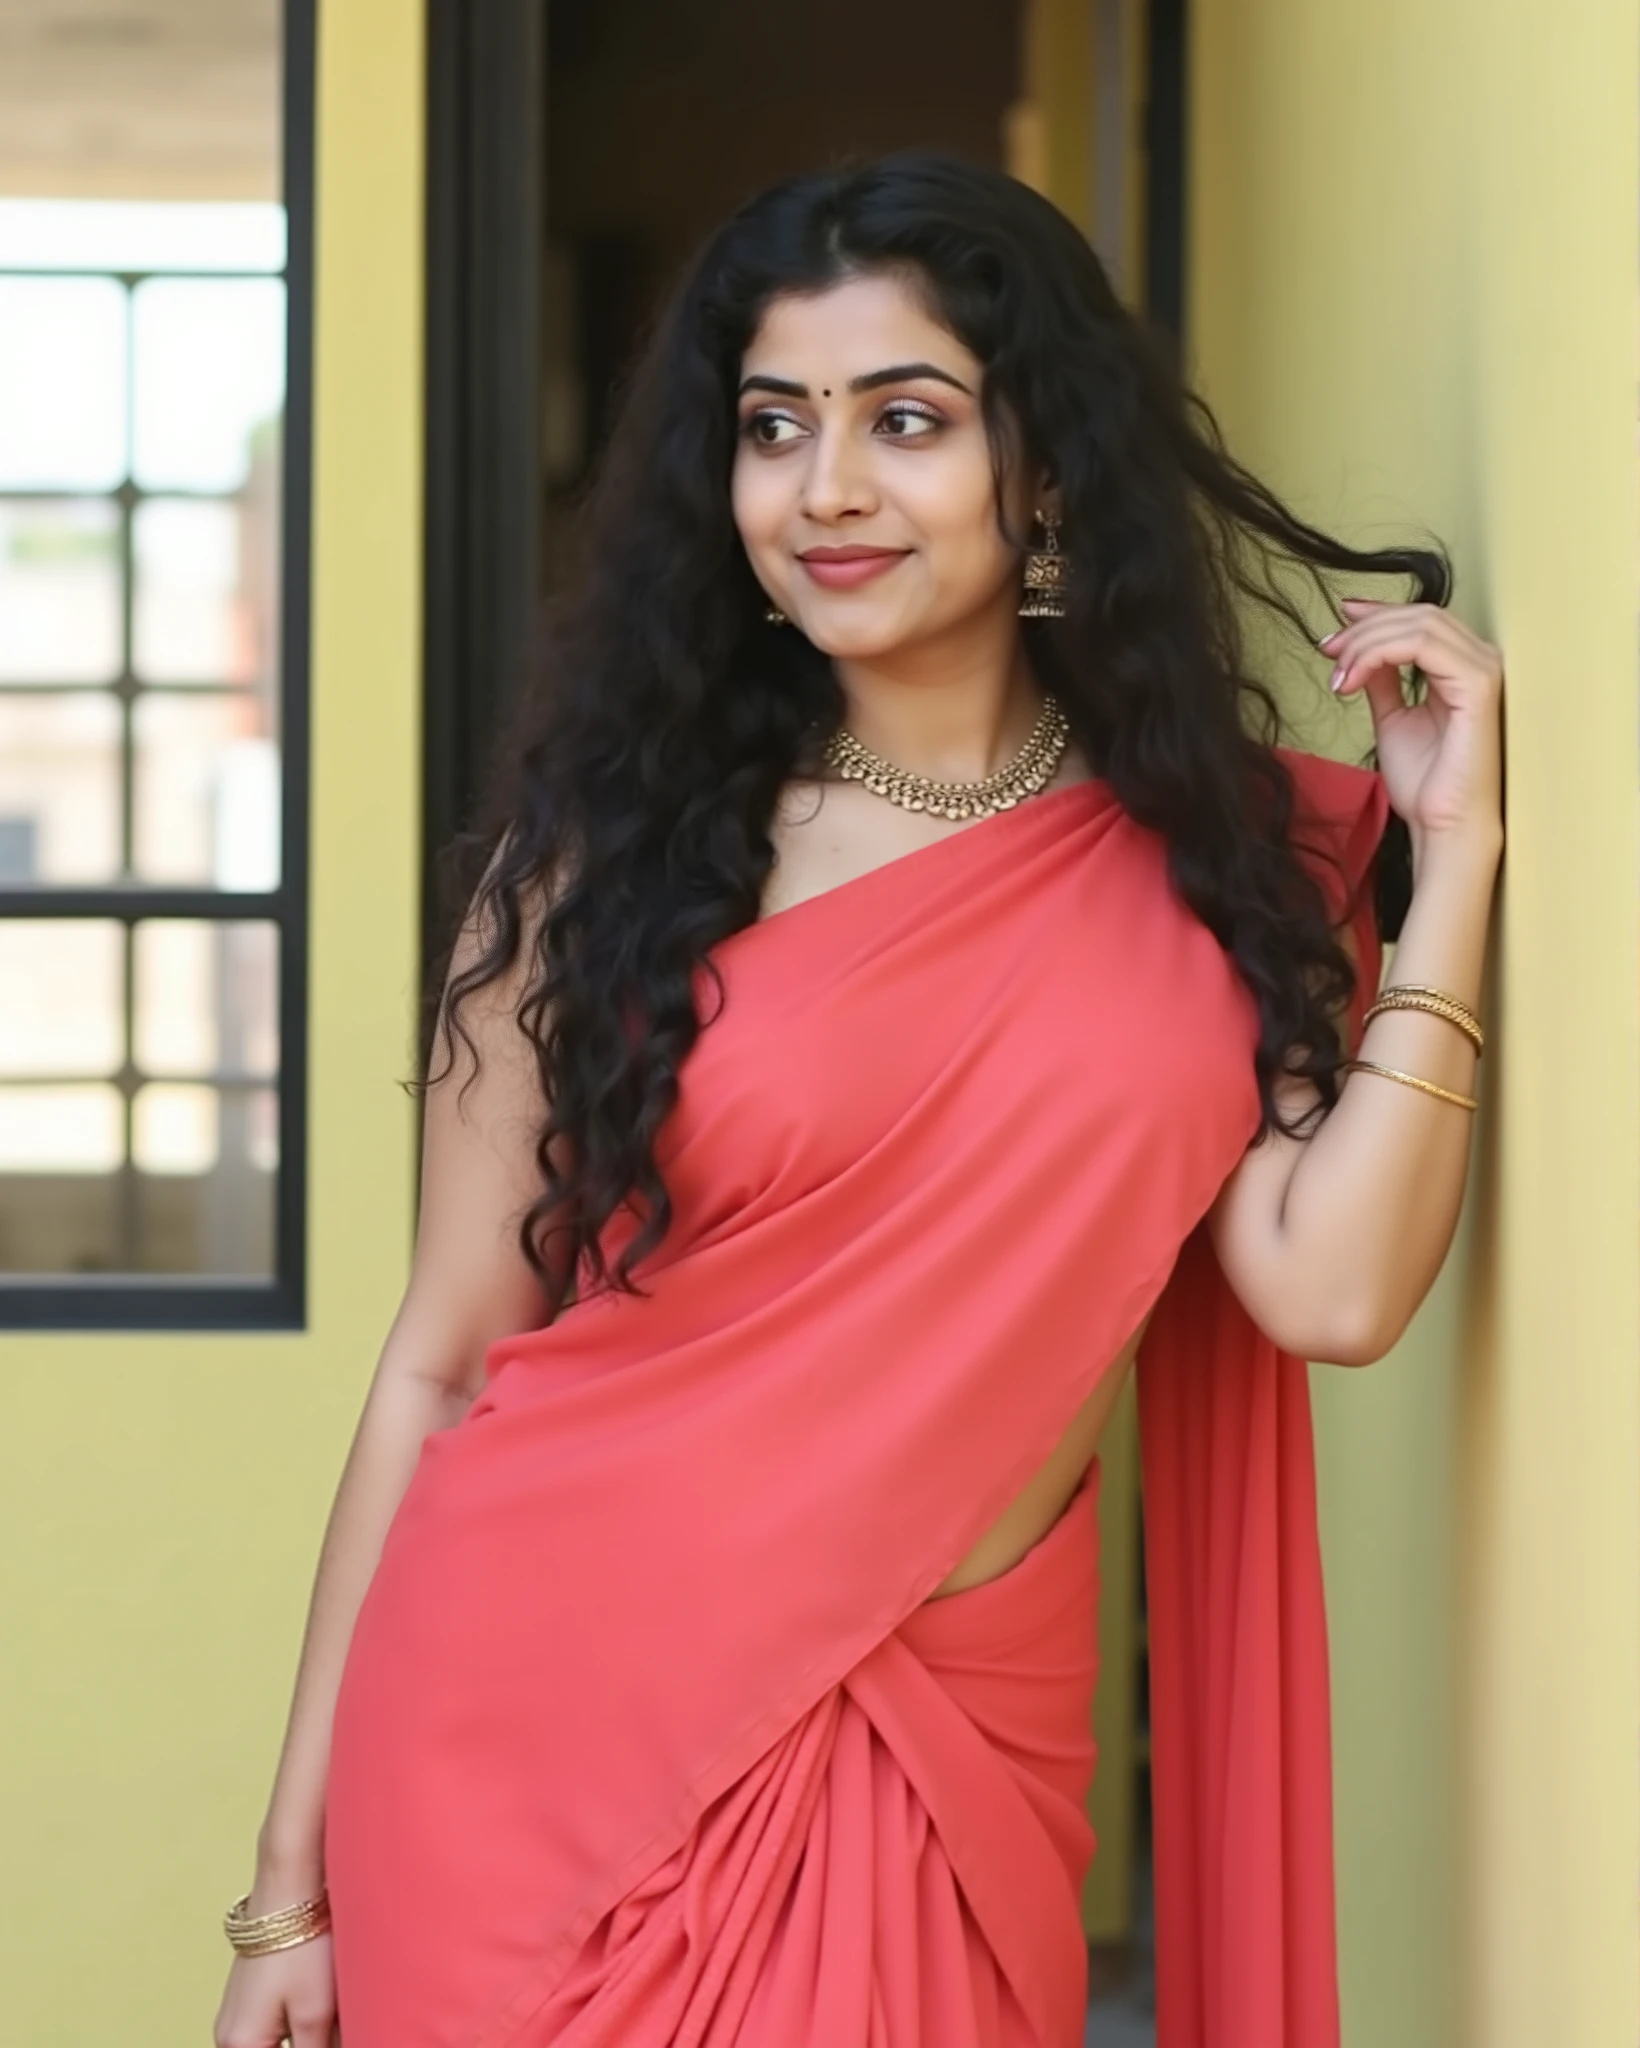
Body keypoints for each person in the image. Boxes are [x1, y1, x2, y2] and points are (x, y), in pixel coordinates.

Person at [213, 151, 1503, 2048]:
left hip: (941, 1753)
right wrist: (288, 1888)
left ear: (1043, 469)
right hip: (541, 1745)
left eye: (905, 420)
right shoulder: (607, 867)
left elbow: (1335, 1287)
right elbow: (444, 1361)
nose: (824, 487)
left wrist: (1451, 864)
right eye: (773, 427)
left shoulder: (1223, 863)